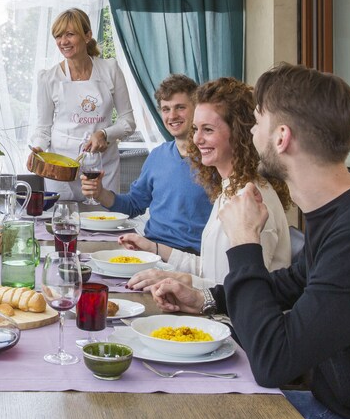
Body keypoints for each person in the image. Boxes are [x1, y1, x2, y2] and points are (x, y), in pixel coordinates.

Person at [151, 64, 350, 419]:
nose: (251, 130)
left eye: (257, 119)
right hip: (335, 406)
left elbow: (273, 362)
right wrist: (207, 300)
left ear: (281, 137)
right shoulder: (348, 210)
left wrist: (245, 242)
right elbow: (288, 284)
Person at [122, 77, 292, 290]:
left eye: (208, 130)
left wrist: (179, 280)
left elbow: (243, 292)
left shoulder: (253, 198)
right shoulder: (230, 187)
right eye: (196, 129)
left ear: (238, 133)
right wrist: (153, 247)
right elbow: (210, 269)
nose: (196, 139)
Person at [81, 74, 211, 253]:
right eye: (166, 109)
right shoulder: (157, 156)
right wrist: (100, 193)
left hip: (191, 259)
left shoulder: (213, 158)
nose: (172, 116)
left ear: (196, 109)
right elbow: (133, 205)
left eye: (180, 107)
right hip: (150, 252)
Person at [31, 8, 135, 201]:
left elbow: (128, 121)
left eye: (70, 34)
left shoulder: (110, 70)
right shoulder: (49, 78)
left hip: (102, 165)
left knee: (104, 218)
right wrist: (38, 148)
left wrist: (104, 134)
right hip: (61, 168)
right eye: (58, 36)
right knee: (63, 220)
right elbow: (43, 128)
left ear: (87, 36)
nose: (63, 42)